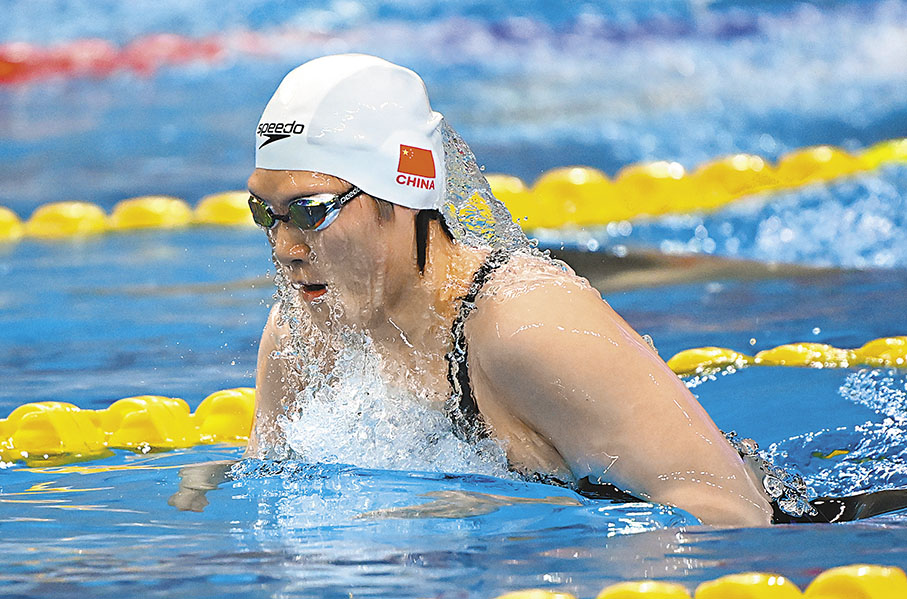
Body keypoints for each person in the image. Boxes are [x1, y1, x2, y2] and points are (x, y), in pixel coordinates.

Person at [239, 53, 904, 526]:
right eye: (264, 212)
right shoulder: (301, 335)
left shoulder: (525, 325)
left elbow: (729, 513)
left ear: (404, 194)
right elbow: (267, 490)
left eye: (310, 211)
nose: (285, 246)